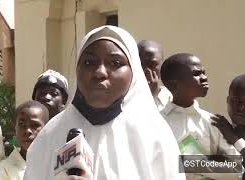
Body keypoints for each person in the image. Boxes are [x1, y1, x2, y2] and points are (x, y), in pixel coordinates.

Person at [24, 26, 185, 180]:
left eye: (115, 63)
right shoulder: (48, 137)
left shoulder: (154, 135)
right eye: (89, 62)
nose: (100, 72)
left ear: (133, 73)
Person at [160, 53, 240, 179]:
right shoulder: (157, 122)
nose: (204, 78)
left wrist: (191, 163)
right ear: (174, 84)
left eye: (204, 72)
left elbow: (237, 169)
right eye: (196, 74)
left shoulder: (213, 122)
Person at [0, 100, 49, 180]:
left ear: (47, 129)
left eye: (35, 125)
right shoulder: (4, 168)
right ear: (15, 128)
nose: (27, 131)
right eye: (21, 124)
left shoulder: (55, 162)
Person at [211, 74, 245, 180]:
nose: (241, 108)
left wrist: (234, 139)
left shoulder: (229, 132)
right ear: (228, 100)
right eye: (237, 101)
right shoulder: (218, 127)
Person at [137, 40, 171, 111]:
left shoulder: (172, 100)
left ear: (162, 66)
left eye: (152, 64)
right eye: (140, 64)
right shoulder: (122, 96)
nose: (146, 70)